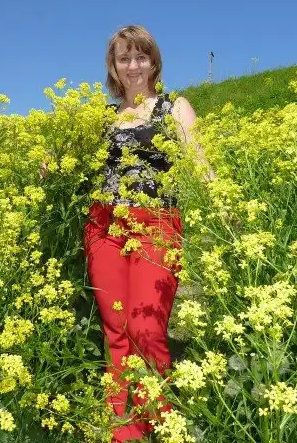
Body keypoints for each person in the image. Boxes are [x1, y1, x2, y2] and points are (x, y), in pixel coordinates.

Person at [82, 25, 213, 443]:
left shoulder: (174, 108)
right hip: (104, 225)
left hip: (156, 222)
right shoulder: (102, 117)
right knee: (116, 330)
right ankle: (125, 433)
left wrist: (221, 200)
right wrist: (50, 163)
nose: (133, 65)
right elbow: (76, 162)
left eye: (141, 56)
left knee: (145, 326)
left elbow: (197, 158)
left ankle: (161, 423)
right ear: (113, 67)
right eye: (124, 58)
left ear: (154, 62)